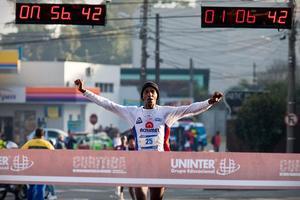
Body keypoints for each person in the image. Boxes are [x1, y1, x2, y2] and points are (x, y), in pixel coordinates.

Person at [74, 79, 223, 200]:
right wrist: (84, 91)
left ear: (156, 96)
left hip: (160, 163)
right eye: (146, 92)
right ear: (143, 96)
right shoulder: (133, 112)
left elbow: (191, 109)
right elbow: (108, 104)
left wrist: (210, 102)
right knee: (139, 196)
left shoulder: (166, 112)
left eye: (153, 92)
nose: (150, 94)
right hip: (140, 163)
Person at [21, 128, 54, 200]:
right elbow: (53, 154)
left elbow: (21, 152)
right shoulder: (47, 143)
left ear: (35, 134)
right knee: (40, 186)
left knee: (31, 186)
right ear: (43, 135)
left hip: (31, 167)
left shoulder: (29, 143)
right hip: (43, 168)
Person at [114, 135, 127, 200]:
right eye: (122, 139)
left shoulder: (127, 148)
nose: (123, 140)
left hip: (125, 166)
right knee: (117, 179)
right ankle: (117, 188)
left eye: (124, 139)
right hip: (118, 165)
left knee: (123, 181)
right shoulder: (117, 147)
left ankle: (121, 194)